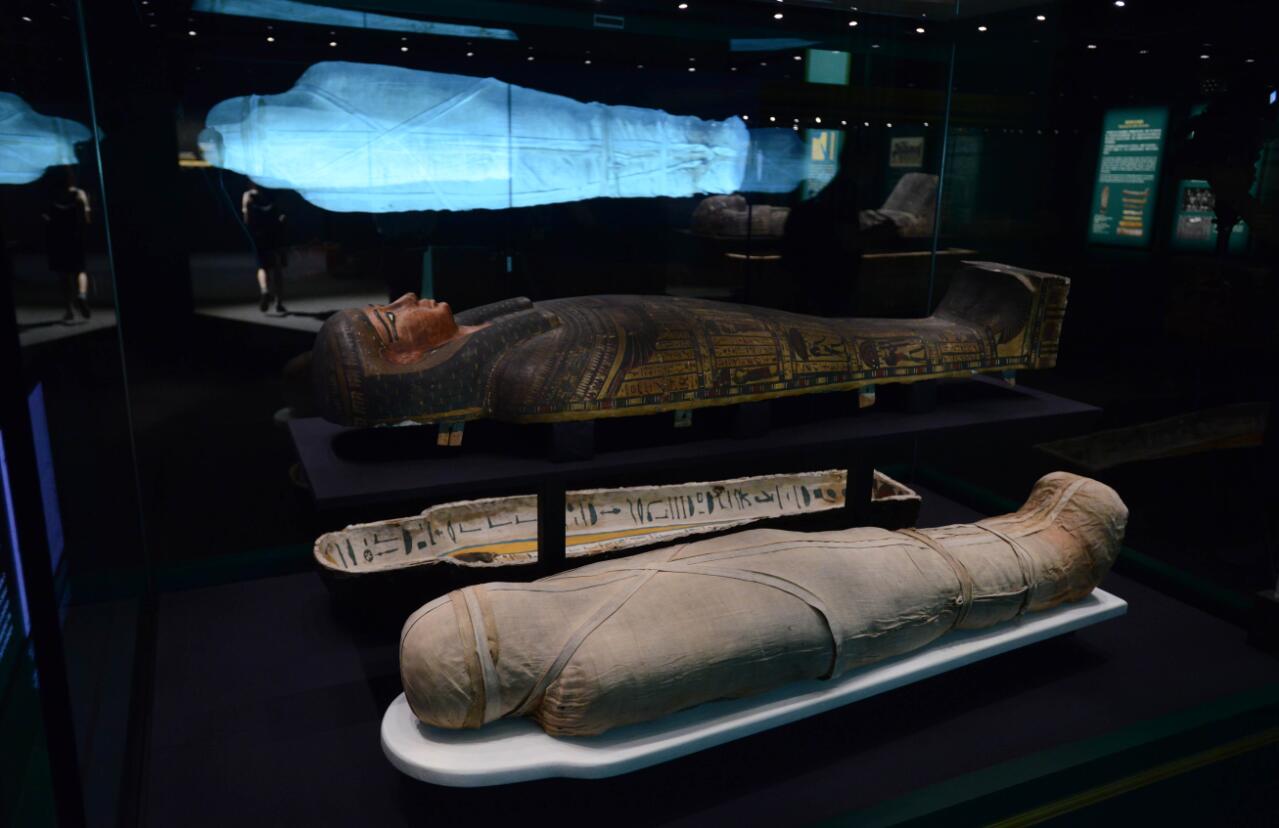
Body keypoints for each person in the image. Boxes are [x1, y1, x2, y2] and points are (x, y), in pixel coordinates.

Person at [43, 169, 91, 322]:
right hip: (75, 238)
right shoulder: (79, 194)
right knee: (80, 270)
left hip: (58, 240)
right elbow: (87, 219)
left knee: (63, 275)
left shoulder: (54, 195)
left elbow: (48, 218)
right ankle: (81, 295)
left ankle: (69, 310)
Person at [241, 182, 288, 312]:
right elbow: (282, 215)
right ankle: (278, 302)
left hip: (258, 235)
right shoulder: (272, 192)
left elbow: (246, 219)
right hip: (274, 233)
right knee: (277, 267)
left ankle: (265, 291)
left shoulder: (248, 196)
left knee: (262, 267)